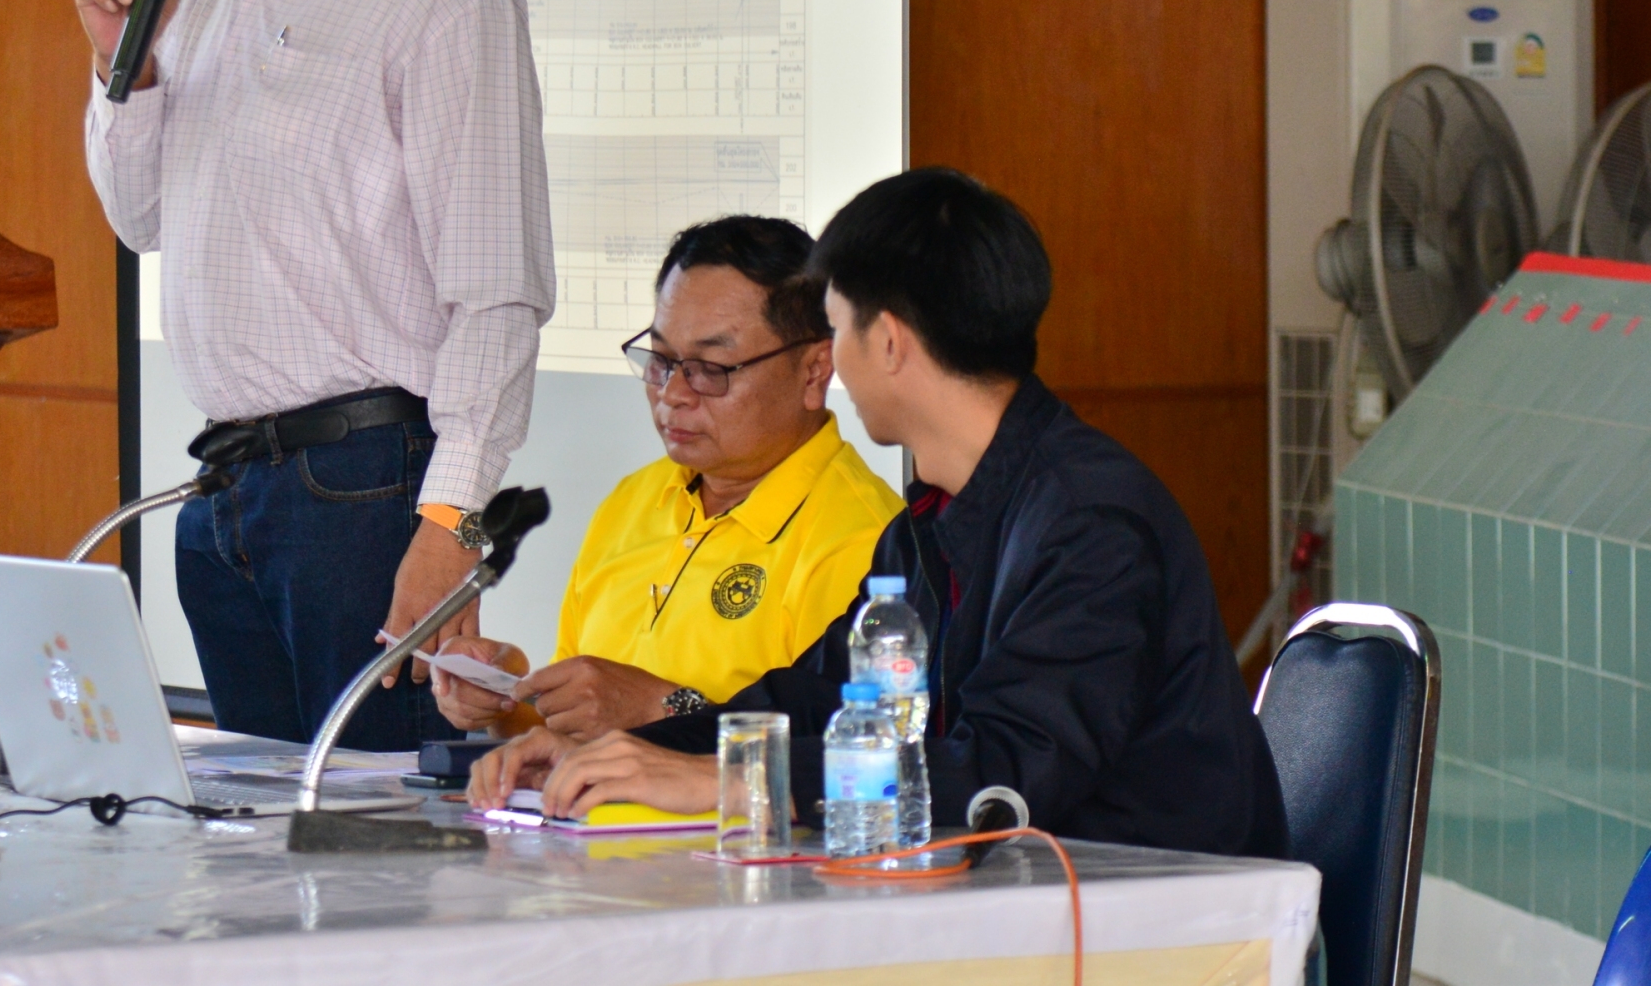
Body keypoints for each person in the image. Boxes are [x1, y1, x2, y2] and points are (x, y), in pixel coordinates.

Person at [471, 169, 1288, 860]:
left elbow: (1006, 775)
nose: (829, 363)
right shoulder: (931, 522)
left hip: (1148, 920)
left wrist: (733, 780)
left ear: (889, 342)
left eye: (836, 329)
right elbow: (814, 697)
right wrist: (625, 751)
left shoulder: (1090, 521)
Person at [76, 0, 552, 749]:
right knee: (259, 823)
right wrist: (124, 71)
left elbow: (496, 290)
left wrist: (451, 522)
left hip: (366, 489)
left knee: (378, 820)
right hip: (227, 484)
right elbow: (141, 217)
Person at [429, 217, 901, 743]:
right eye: (660, 360)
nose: (673, 393)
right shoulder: (634, 501)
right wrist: (508, 699)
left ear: (814, 371)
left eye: (711, 368)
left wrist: (664, 708)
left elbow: (843, 755)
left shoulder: (865, 542)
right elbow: (577, 735)